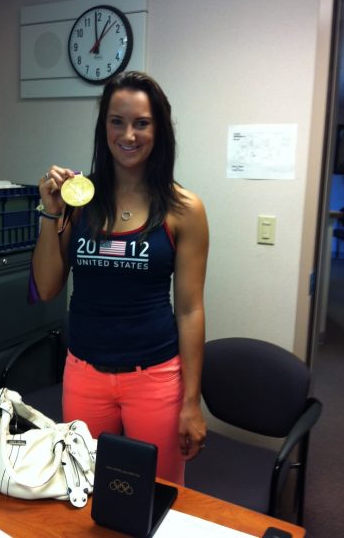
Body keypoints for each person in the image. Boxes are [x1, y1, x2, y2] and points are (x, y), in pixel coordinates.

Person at [31, 71, 209, 485]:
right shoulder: (80, 199)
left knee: (157, 495)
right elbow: (47, 287)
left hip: (155, 378)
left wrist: (192, 402)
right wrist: (50, 211)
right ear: (103, 127)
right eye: (117, 121)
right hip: (84, 374)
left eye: (141, 123)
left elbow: (189, 309)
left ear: (158, 129)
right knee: (84, 488)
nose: (128, 134)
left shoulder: (185, 208)